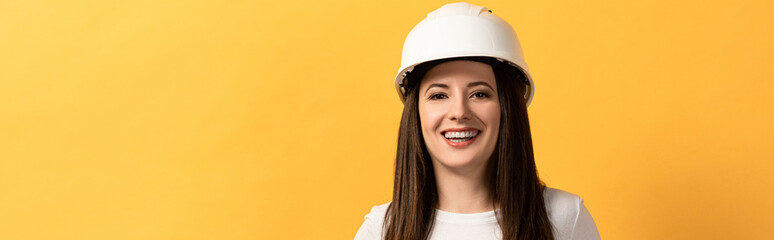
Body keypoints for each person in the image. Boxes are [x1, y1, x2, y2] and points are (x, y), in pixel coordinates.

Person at [355, 2, 600, 240]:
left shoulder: (565, 218)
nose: (459, 112)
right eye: (439, 95)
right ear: (415, 114)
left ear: (508, 108)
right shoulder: (380, 230)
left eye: (479, 94)